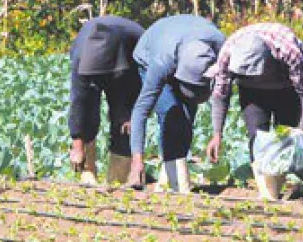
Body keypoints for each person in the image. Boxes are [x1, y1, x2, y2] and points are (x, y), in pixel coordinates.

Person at [128, 14, 225, 191]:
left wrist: (217, 134)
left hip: (180, 39)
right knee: (170, 111)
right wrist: (137, 160)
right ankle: (173, 181)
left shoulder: (222, 51)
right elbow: (141, 109)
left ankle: (173, 176)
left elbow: (221, 95)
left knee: (187, 116)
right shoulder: (161, 63)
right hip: (150, 50)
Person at [206, 22, 303, 165]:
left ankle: (280, 181)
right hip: (251, 92)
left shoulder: (289, 51)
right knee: (257, 138)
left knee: (285, 139)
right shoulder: (228, 53)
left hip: (286, 88)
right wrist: (217, 134)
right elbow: (221, 95)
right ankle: (263, 183)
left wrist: (300, 129)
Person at [68, 15, 145, 185]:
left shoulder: (137, 45)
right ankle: (88, 174)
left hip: (127, 58)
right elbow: (79, 103)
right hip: (91, 55)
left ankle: (118, 178)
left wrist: (127, 113)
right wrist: (77, 144)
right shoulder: (81, 60)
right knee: (88, 111)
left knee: (125, 123)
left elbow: (141, 93)